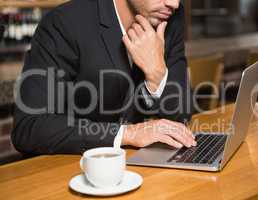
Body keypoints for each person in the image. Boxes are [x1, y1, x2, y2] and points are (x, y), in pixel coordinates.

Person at [12, 0, 196, 155]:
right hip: (69, 170)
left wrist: (157, 74)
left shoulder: (169, 19)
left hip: (135, 168)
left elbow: (182, 116)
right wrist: (128, 134)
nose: (174, 3)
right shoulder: (64, 23)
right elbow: (29, 127)